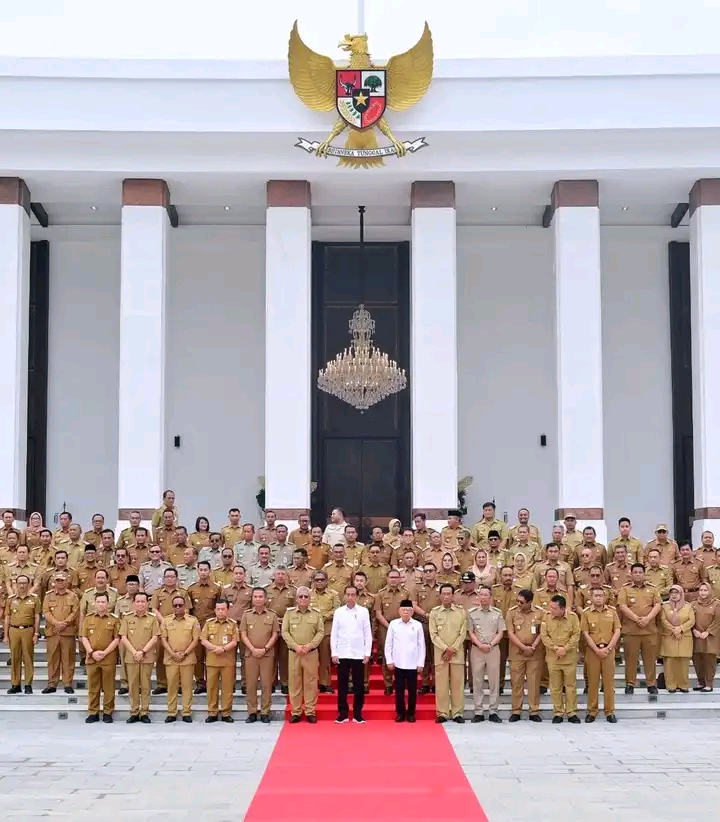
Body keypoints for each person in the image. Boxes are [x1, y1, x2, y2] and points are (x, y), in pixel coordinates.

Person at [617, 563, 662, 694]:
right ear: (631, 574)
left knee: (650, 659)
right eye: (635, 572)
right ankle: (630, 683)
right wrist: (636, 619)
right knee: (630, 659)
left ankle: (651, 684)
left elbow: (658, 605)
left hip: (649, 630)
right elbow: (622, 606)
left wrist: (647, 618)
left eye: (640, 572)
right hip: (631, 631)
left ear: (644, 574)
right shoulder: (625, 589)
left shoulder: (652, 589)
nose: (637, 574)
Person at [282, 586, 324, 723]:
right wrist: (295, 646)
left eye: (306, 596)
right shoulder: (289, 614)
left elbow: (320, 632)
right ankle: (296, 711)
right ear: (296, 598)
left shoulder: (316, 614)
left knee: (311, 683)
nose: (303, 599)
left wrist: (310, 645)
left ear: (310, 598)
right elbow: (285, 632)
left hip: (310, 653)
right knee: (295, 683)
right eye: (301, 596)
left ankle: (310, 711)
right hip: (294, 653)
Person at [331, 584, 372, 723]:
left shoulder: (363, 611)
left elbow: (368, 633)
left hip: (358, 653)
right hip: (342, 652)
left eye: (353, 595)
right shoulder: (339, 612)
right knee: (342, 685)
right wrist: (334, 652)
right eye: (348, 594)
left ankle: (357, 713)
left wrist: (367, 652)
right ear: (344, 596)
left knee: (359, 685)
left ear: (357, 596)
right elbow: (334, 634)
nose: (350, 597)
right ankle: (342, 713)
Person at [580, 587, 621, 723]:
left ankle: (609, 711)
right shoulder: (586, 614)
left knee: (609, 683)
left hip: (609, 651)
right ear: (591, 597)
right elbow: (585, 633)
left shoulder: (612, 612)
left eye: (600, 595)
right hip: (593, 651)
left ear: (604, 597)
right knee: (593, 682)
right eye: (595, 595)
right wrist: (596, 650)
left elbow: (617, 631)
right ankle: (592, 711)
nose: (598, 598)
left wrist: (609, 648)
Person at [120, 591, 160, 724]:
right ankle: (134, 711)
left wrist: (142, 651)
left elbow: (155, 637)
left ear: (147, 603)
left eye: (143, 601)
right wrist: (134, 652)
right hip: (131, 657)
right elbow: (123, 637)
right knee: (133, 685)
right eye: (138, 601)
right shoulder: (127, 617)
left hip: (146, 656)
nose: (141, 604)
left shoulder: (152, 618)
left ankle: (144, 712)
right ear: (133, 603)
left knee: (146, 685)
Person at [240, 587, 279, 724]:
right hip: (251, 655)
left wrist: (265, 648)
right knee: (250, 684)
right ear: (252, 599)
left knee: (266, 684)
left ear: (266, 599)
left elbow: (275, 634)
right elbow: (243, 633)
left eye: (260, 597)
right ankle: (251, 712)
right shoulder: (246, 615)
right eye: (255, 597)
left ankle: (265, 711)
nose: (258, 599)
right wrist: (252, 648)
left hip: (267, 655)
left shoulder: (272, 615)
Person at [80, 591, 120, 723]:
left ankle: (108, 712)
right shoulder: (88, 618)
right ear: (94, 603)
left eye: (103, 602)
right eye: (98, 602)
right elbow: (83, 637)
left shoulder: (114, 619)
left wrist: (105, 652)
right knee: (93, 686)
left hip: (108, 658)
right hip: (92, 657)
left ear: (108, 604)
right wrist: (92, 652)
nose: (101, 604)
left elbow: (116, 638)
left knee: (109, 687)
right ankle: (93, 712)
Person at [540, 594, 581, 723]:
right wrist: (555, 648)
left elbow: (576, 634)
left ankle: (571, 712)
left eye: (554, 608)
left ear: (563, 609)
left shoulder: (573, 618)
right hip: (553, 658)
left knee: (570, 686)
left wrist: (565, 648)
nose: (551, 610)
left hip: (569, 658)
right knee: (555, 687)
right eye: (550, 607)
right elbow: (544, 635)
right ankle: (558, 712)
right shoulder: (546, 617)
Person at [429, 584, 467, 723]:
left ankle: (457, 713)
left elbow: (463, 633)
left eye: (448, 594)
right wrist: (446, 648)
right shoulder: (434, 612)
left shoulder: (461, 612)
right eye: (443, 594)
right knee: (441, 685)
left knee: (457, 684)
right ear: (439, 596)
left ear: (453, 595)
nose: (446, 596)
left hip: (457, 654)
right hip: (441, 654)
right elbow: (433, 634)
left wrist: (453, 649)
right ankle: (442, 713)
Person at [468, 585, 506, 723]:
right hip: (477, 650)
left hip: (493, 649)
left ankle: (493, 711)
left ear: (490, 597)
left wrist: (490, 645)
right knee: (477, 680)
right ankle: (478, 711)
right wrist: (479, 644)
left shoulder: (497, 613)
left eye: (486, 595)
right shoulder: (471, 613)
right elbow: (470, 632)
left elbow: (500, 632)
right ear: (478, 597)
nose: (483, 597)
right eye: (481, 595)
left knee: (494, 681)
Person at [161, 594, 201, 723]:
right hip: (171, 659)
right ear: (172, 607)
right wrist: (173, 653)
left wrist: (184, 653)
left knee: (187, 687)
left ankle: (186, 712)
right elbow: (163, 639)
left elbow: (196, 640)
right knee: (172, 686)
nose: (177, 607)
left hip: (187, 659)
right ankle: (171, 712)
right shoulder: (166, 621)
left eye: (180, 605)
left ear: (185, 606)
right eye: (175, 605)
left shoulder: (193, 621)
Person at [506, 589, 545, 722]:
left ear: (529, 602)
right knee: (517, 683)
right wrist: (523, 647)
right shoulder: (512, 612)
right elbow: (510, 633)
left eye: (521, 602)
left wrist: (532, 647)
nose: (518, 604)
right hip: (517, 653)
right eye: (517, 601)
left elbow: (543, 632)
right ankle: (516, 710)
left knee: (534, 683)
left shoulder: (540, 613)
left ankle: (534, 711)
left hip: (535, 653)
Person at [385, 599, 425, 722]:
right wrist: (389, 660)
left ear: (412, 612)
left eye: (408, 610)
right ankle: (400, 713)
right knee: (399, 691)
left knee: (413, 691)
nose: (406, 612)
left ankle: (411, 713)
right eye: (403, 610)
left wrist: (420, 663)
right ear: (399, 611)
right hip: (398, 663)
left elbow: (421, 645)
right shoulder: (393, 624)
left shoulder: (417, 625)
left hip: (413, 664)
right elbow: (388, 644)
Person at [201, 598, 239, 722]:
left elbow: (234, 641)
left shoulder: (232, 624)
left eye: (223, 609)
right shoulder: (208, 623)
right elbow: (203, 640)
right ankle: (212, 712)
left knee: (227, 688)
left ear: (228, 610)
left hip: (227, 661)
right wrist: (214, 648)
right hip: (212, 661)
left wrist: (223, 649)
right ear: (215, 610)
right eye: (218, 609)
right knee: (211, 687)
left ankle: (226, 713)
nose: (220, 612)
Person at [187, 561, 222, 694]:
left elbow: (219, 608)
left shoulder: (216, 588)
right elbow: (190, 611)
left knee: (212, 656)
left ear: (210, 571)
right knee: (198, 657)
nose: (203, 572)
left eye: (205, 570)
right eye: (200, 570)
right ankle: (200, 683)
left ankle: (212, 682)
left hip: (212, 628)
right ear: (197, 571)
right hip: (197, 627)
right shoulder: (191, 589)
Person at [374, 569, 411, 695]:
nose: (394, 579)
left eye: (396, 577)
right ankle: (388, 684)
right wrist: (390, 626)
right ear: (387, 578)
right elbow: (378, 614)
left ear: (400, 578)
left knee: (404, 652)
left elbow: (409, 610)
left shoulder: (406, 593)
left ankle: (401, 681)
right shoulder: (380, 594)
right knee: (387, 655)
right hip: (386, 627)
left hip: (404, 626)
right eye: (391, 577)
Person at [42, 572, 79, 694]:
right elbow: (46, 611)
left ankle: (67, 683)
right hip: (53, 631)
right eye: (57, 580)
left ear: (67, 582)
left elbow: (75, 611)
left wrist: (64, 623)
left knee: (68, 658)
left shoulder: (73, 596)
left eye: (62, 580)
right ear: (54, 582)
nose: (60, 582)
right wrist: (56, 623)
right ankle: (52, 684)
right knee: (53, 658)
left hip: (67, 632)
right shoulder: (48, 596)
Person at [4, 574, 41, 693]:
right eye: (19, 583)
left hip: (28, 630)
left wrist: (36, 633)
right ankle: (16, 684)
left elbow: (37, 616)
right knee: (15, 657)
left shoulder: (34, 598)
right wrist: (5, 635)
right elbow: (7, 617)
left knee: (28, 657)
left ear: (29, 584)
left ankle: (28, 684)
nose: (22, 585)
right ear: (16, 584)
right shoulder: (11, 599)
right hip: (13, 630)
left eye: (24, 583)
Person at [265, 567, 296, 694]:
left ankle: (285, 682)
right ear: (274, 575)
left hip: (286, 627)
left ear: (287, 576)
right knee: (271, 656)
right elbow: (263, 606)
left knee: (284, 656)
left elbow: (295, 608)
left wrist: (285, 620)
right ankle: (271, 682)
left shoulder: (293, 591)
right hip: (269, 627)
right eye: (278, 573)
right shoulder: (267, 589)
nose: (280, 576)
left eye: (283, 574)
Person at [660, 585, 695, 692]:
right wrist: (674, 630)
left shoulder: (688, 606)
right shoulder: (664, 606)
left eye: (677, 593)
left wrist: (680, 629)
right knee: (670, 662)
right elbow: (663, 620)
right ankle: (671, 685)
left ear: (681, 594)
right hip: (669, 637)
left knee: (683, 663)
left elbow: (691, 620)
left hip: (684, 637)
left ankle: (683, 685)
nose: (674, 595)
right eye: (672, 593)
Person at [310, 570, 341, 693]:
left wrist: (324, 615)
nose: (319, 582)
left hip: (326, 630)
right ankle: (310, 684)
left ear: (326, 581)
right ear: (313, 581)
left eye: (322, 580)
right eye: (317, 580)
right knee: (309, 660)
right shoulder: (307, 594)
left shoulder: (333, 594)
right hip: (310, 631)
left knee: (324, 659)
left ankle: (324, 683)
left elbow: (337, 610)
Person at [414, 563, 442, 694]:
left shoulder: (442, 587)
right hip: (423, 623)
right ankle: (425, 683)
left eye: (431, 570)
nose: (428, 573)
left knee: (437, 654)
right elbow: (414, 605)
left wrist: (435, 616)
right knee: (424, 653)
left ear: (436, 572)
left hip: (439, 625)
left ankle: (436, 683)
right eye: (426, 571)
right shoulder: (417, 588)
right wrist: (426, 614)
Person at [692, 581, 720, 691]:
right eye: (701, 590)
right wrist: (694, 630)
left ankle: (709, 684)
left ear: (710, 591)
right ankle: (701, 682)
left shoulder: (717, 604)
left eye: (705, 590)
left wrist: (707, 632)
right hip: (697, 636)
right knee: (697, 660)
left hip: (711, 637)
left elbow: (718, 621)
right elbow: (690, 619)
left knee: (709, 660)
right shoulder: (694, 604)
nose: (703, 593)